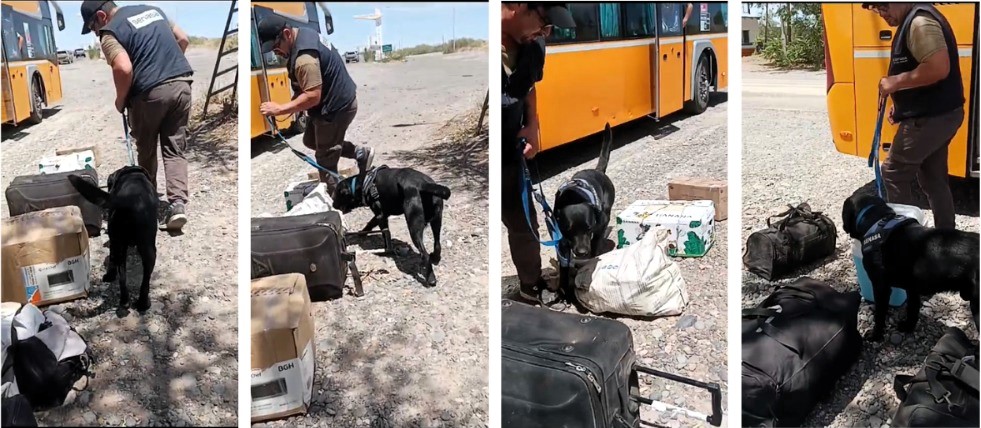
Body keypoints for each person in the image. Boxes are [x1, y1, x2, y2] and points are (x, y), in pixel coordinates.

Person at [81, 0, 193, 231]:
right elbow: (183, 39)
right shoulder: (153, 11)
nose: (95, 33)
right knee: (174, 147)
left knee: (147, 147)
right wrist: (165, 68)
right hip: (182, 84)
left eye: (92, 27)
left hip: (149, 94)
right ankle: (178, 205)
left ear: (101, 16)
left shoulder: (109, 32)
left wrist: (121, 99)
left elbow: (123, 68)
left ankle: (147, 202)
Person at [865, 3, 965, 230]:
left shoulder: (919, 22)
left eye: (883, 6)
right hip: (941, 114)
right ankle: (946, 238)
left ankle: (905, 240)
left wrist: (895, 82)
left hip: (931, 118)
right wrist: (901, 106)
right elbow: (922, 73)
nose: (881, 13)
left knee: (893, 173)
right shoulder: (914, 20)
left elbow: (938, 68)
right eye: (875, 9)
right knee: (933, 177)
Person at [501, 3, 575, 304]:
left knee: (524, 219)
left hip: (512, 148)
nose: (545, 33)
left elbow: (529, 84)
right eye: (544, 22)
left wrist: (533, 125)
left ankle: (529, 287)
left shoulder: (532, 43)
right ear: (518, 6)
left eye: (550, 28)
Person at [255, 14, 374, 193]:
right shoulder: (303, 34)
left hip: (335, 108)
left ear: (287, 34)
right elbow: (305, 89)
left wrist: (280, 109)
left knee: (325, 158)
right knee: (311, 140)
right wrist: (295, 106)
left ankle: (335, 206)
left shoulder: (305, 59)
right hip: (332, 103)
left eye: (276, 47)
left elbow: (312, 96)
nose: (275, 52)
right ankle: (359, 153)